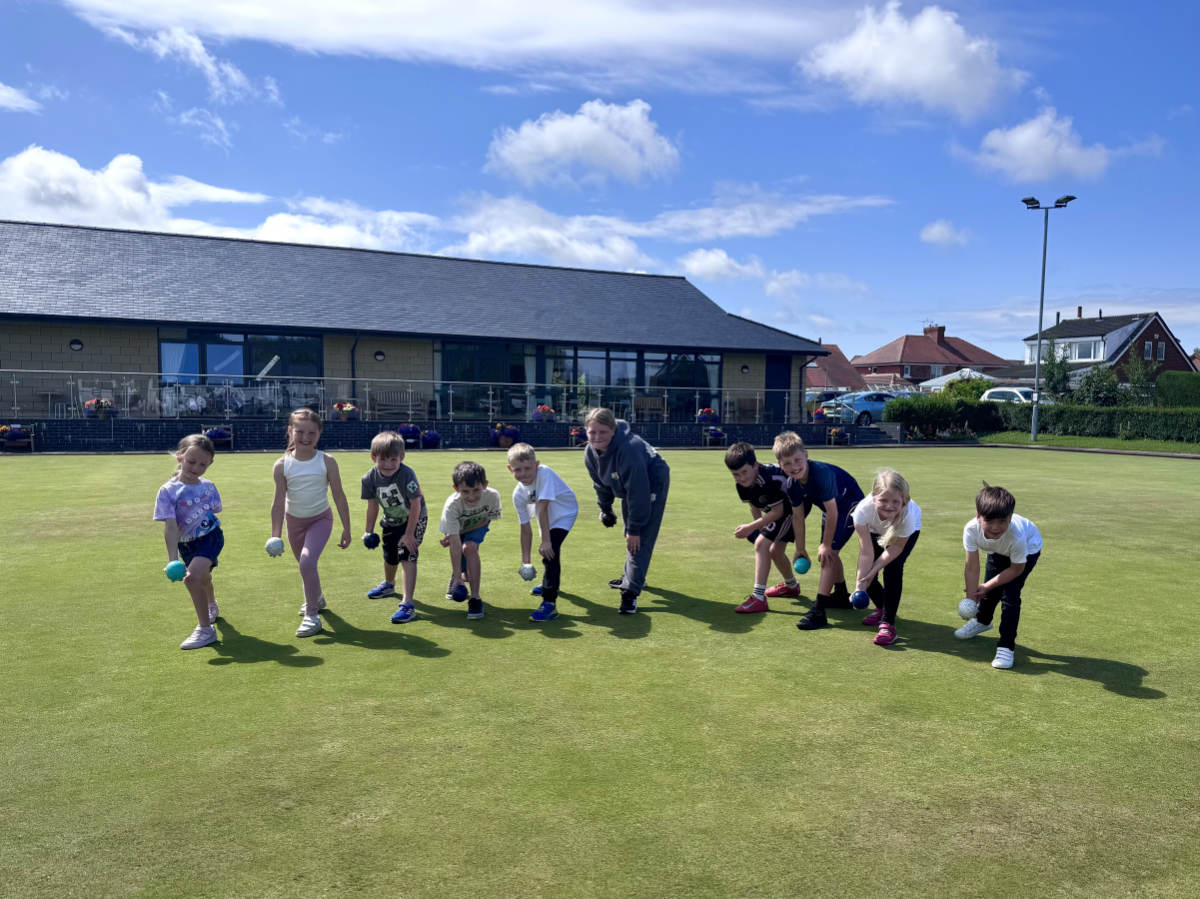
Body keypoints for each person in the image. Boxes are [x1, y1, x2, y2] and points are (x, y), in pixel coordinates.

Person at [268, 409, 353, 638]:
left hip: (320, 519)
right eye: (300, 432)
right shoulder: (281, 465)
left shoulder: (327, 462)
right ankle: (317, 596)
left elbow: (339, 496)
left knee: (306, 561)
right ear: (290, 431)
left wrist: (347, 528)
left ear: (319, 434)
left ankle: (312, 616)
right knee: (306, 567)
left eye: (311, 433)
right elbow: (277, 503)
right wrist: (275, 535)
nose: (306, 437)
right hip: (293, 523)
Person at [772, 431, 865, 631]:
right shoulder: (792, 484)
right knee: (829, 552)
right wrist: (800, 548)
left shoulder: (821, 473)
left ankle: (819, 611)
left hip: (851, 505)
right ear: (780, 464)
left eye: (797, 460)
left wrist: (826, 544)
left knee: (828, 553)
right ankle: (841, 595)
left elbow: (832, 512)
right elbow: (798, 516)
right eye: (787, 463)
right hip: (831, 507)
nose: (793, 467)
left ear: (806, 455)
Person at [583, 407, 670, 615]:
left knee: (639, 537)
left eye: (603, 432)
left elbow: (638, 493)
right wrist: (606, 510)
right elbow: (600, 484)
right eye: (592, 432)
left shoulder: (629, 449)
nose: (597, 437)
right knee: (630, 535)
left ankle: (630, 592)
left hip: (652, 482)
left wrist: (635, 528)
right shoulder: (589, 452)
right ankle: (634, 575)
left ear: (613, 430)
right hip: (627, 485)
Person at [956, 483, 1043, 670]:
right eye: (989, 521)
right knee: (989, 589)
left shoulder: (1016, 536)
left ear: (1010, 518)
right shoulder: (971, 529)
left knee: (1009, 596)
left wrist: (987, 586)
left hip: (1027, 552)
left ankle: (1006, 646)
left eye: (1003, 521)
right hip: (997, 550)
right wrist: (971, 599)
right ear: (978, 517)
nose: (996, 527)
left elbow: (1015, 569)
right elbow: (972, 566)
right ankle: (982, 621)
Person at [153, 434, 223, 650]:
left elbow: (214, 511)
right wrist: (173, 560)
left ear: (210, 464)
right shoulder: (167, 491)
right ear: (179, 457)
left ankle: (205, 630)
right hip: (186, 544)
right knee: (203, 578)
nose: (196, 467)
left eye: (203, 464)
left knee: (192, 578)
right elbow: (171, 527)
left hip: (211, 537)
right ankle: (212, 604)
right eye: (192, 461)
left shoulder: (209, 487)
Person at [360, 431, 428, 623]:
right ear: (374, 457)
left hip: (414, 519)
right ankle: (389, 585)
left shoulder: (407, 474)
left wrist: (409, 534)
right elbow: (372, 505)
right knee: (390, 555)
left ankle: (407, 604)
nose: (388, 464)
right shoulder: (369, 479)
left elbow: (416, 504)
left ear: (402, 458)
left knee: (406, 554)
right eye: (383, 459)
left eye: (393, 459)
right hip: (391, 519)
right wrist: (368, 531)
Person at [507, 442, 579, 622]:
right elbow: (525, 528)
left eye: (528, 468)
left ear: (536, 465)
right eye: (518, 470)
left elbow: (542, 507)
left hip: (564, 513)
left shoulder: (545, 472)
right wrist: (526, 562)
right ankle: (551, 583)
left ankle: (549, 603)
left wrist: (546, 541)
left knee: (550, 552)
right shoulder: (518, 494)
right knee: (548, 551)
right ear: (510, 469)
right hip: (544, 518)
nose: (523, 474)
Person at [850, 468, 922, 646]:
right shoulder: (862, 512)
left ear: (904, 501)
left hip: (903, 533)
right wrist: (861, 583)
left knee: (893, 568)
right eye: (883, 500)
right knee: (867, 571)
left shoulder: (909, 515)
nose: (889, 505)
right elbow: (866, 552)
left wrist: (875, 568)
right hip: (874, 530)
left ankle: (888, 624)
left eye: (895, 501)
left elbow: (896, 548)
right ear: (874, 498)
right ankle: (882, 609)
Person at [724, 441, 796, 614]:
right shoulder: (742, 485)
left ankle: (758, 598)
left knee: (762, 545)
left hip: (792, 509)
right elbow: (754, 505)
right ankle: (792, 586)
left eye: (744, 472)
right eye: (736, 474)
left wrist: (751, 528)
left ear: (755, 465)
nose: (741, 478)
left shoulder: (767, 479)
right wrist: (759, 530)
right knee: (774, 551)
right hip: (777, 510)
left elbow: (778, 512)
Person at [438, 460, 502, 621]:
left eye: (476, 490)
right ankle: (458, 576)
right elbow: (454, 545)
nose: (472, 497)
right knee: (459, 550)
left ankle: (475, 598)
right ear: (456, 488)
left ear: (485, 485)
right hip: (455, 529)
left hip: (478, 525)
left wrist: (465, 533)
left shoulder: (492, 496)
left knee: (470, 548)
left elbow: (486, 520)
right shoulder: (451, 507)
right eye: (465, 491)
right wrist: (459, 573)